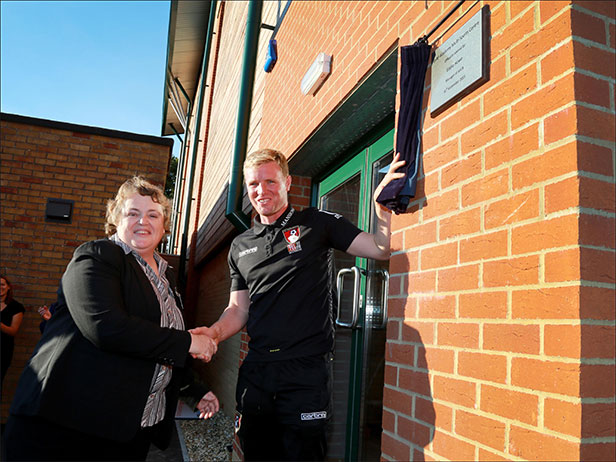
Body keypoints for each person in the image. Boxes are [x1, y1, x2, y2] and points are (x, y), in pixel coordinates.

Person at [191, 148, 405, 461]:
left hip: (306, 372)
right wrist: (213, 333)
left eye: (270, 181)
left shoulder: (317, 223)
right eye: (253, 184)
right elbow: (238, 309)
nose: (261, 190)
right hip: (258, 371)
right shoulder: (240, 245)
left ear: (288, 182)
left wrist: (381, 211)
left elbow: (380, 249)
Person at [3, 177, 219, 461]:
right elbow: (105, 327)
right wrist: (191, 341)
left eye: (153, 214)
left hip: (129, 433)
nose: (144, 221)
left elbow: (154, 344)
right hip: (65, 429)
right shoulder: (97, 256)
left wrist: (194, 389)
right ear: (115, 219)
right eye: (133, 213)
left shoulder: (166, 281)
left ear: (164, 226)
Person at [1, 275, 25, 387]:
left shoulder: (16, 307)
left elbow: (13, 331)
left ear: (8, 287)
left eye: (2, 284)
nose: (0, 287)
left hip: (3, 350)